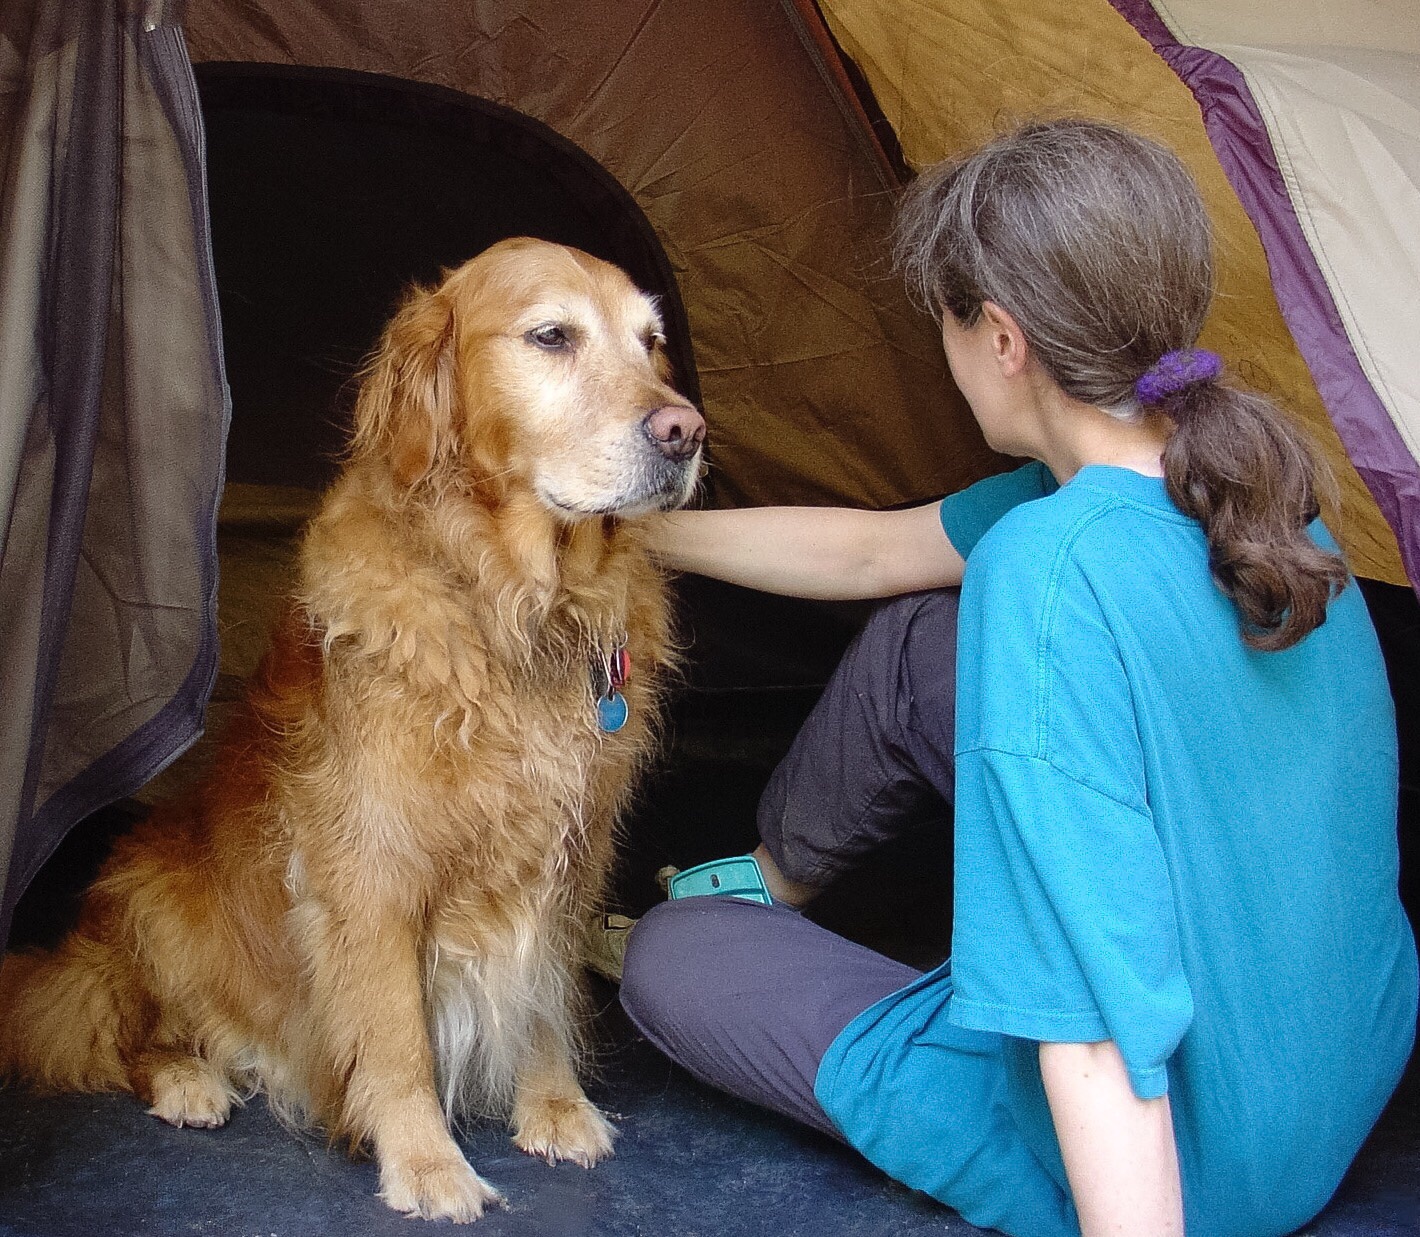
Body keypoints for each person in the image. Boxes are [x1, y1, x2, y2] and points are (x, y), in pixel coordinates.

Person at [616, 119, 1419, 1237]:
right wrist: (629, 539)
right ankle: (772, 877)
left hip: (1200, 1165)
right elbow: (872, 553)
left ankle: (768, 938)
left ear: (1000, 338)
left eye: (940, 328)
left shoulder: (1040, 573)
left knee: (672, 953)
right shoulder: (1244, 481)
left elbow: (1089, 1021)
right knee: (912, 642)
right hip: (1335, 1073)